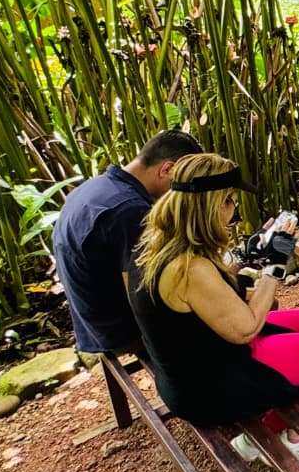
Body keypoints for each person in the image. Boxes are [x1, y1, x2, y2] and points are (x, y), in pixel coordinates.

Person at [129, 154, 299, 472]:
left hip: (196, 360)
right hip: (209, 388)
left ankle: (281, 410)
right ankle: (278, 432)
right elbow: (247, 327)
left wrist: (247, 254)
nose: (234, 209)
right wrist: (275, 265)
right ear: (216, 204)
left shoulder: (161, 241)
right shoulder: (189, 268)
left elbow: (210, 288)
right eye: (232, 201)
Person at [52, 129, 202, 354]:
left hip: (92, 326)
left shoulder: (97, 186)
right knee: (233, 315)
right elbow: (147, 296)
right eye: (183, 183)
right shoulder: (129, 210)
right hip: (121, 332)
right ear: (167, 169)